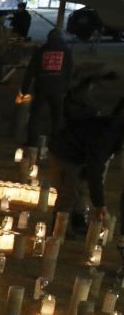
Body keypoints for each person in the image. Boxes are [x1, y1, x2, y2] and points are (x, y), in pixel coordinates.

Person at [51, 98, 124, 238]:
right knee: (68, 192)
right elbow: (95, 169)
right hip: (64, 152)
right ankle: (59, 230)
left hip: (80, 152)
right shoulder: (107, 137)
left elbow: (96, 166)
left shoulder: (115, 130)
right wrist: (99, 204)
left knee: (82, 187)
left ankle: (77, 221)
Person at [22, 28, 74, 145]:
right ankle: (56, 142)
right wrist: (66, 87)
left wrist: (24, 89)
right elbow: (69, 72)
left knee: (35, 115)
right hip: (58, 87)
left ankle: (32, 141)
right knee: (57, 116)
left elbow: (31, 71)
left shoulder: (41, 51)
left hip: (42, 86)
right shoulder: (66, 52)